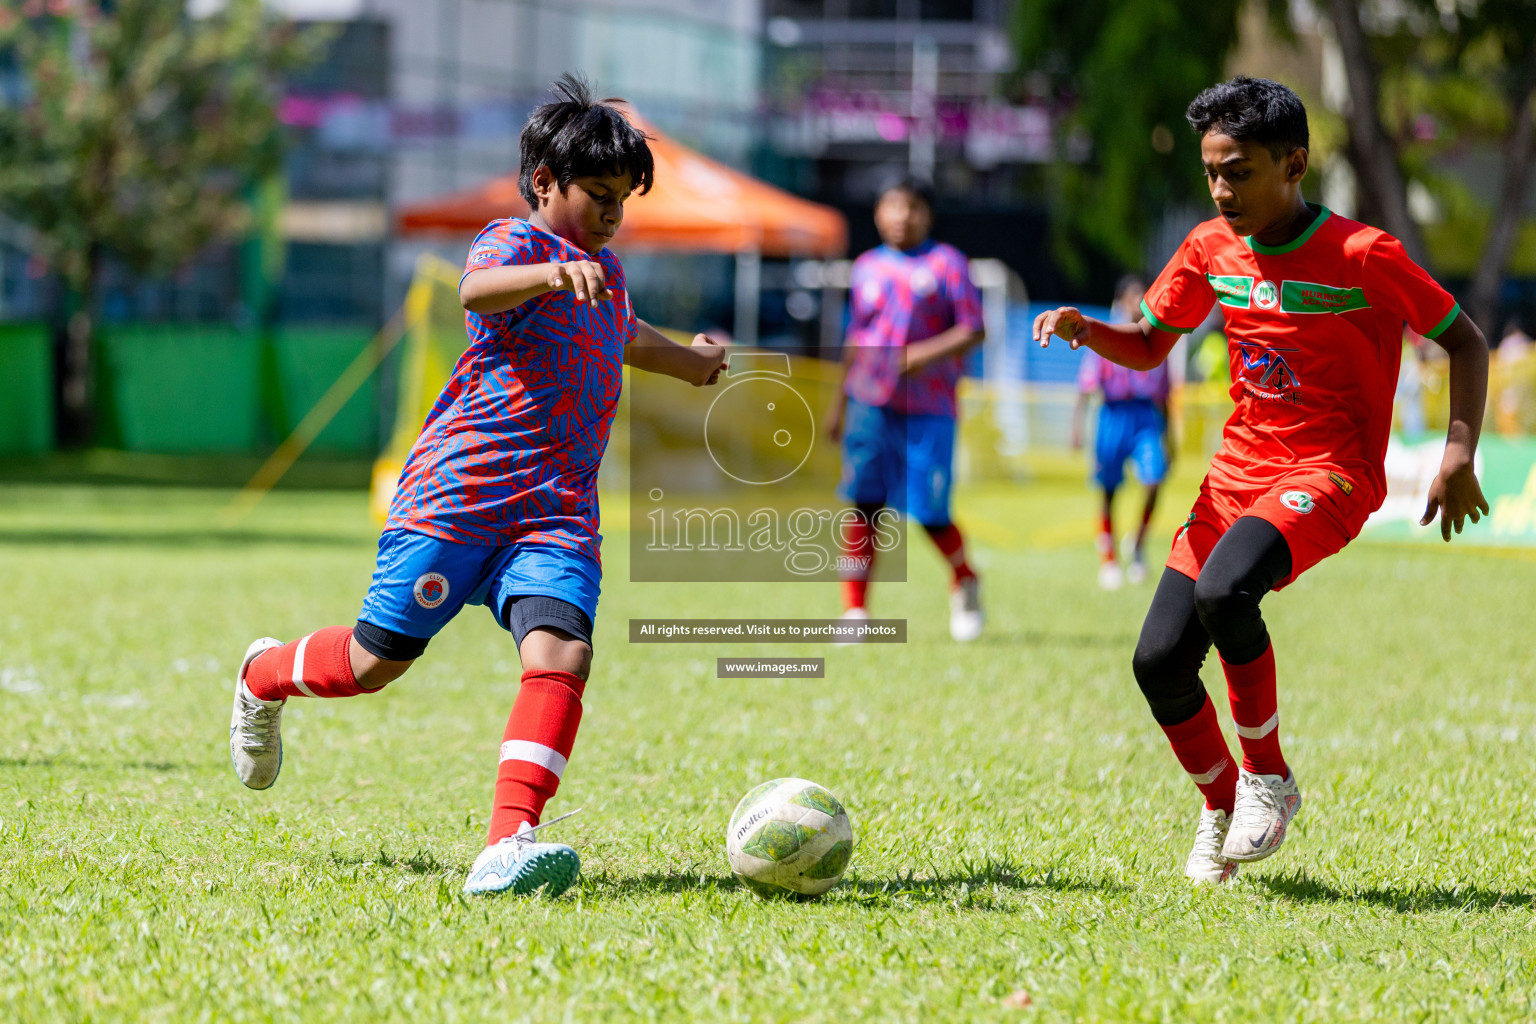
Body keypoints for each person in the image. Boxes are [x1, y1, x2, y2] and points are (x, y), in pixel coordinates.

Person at [226, 75, 726, 898]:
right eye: (597, 196)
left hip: (558, 512)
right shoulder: (514, 247)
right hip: (458, 497)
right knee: (373, 662)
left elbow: (623, 333)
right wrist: (551, 277)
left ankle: (507, 844)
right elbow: (474, 291)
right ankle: (262, 678)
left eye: (621, 202)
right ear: (544, 184)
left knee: (563, 652)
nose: (610, 216)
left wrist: (692, 360)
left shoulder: (605, 271)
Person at [1034, 77, 1489, 884]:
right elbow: (1147, 344)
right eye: (1211, 172)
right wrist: (1085, 330)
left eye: (1238, 171)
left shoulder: (1363, 254)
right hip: (1236, 475)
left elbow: (1466, 341)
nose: (1220, 190)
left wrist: (1458, 452)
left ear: (1295, 164)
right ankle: (1219, 805)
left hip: (1331, 472)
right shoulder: (1211, 247)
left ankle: (1268, 780)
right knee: (1158, 663)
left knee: (1226, 592)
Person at [826, 177, 987, 642]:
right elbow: (855, 337)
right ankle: (855, 611)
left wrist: (921, 355)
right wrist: (838, 404)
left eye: (912, 207)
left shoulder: (948, 264)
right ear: (877, 213)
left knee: (932, 511)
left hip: (929, 409)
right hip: (869, 403)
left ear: (927, 214)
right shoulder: (865, 267)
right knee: (864, 505)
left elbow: (974, 328)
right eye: (892, 205)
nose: (902, 216)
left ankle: (965, 579)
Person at [1070, 275, 1170, 589]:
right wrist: (1077, 426)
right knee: (1108, 490)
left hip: (1146, 417)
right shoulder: (1104, 335)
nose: (1139, 301)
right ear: (1122, 300)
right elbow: (1086, 387)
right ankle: (1109, 557)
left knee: (1155, 481)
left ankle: (1137, 543)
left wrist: (1170, 434)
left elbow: (1165, 392)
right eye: (1134, 295)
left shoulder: (1159, 338)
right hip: (1113, 416)